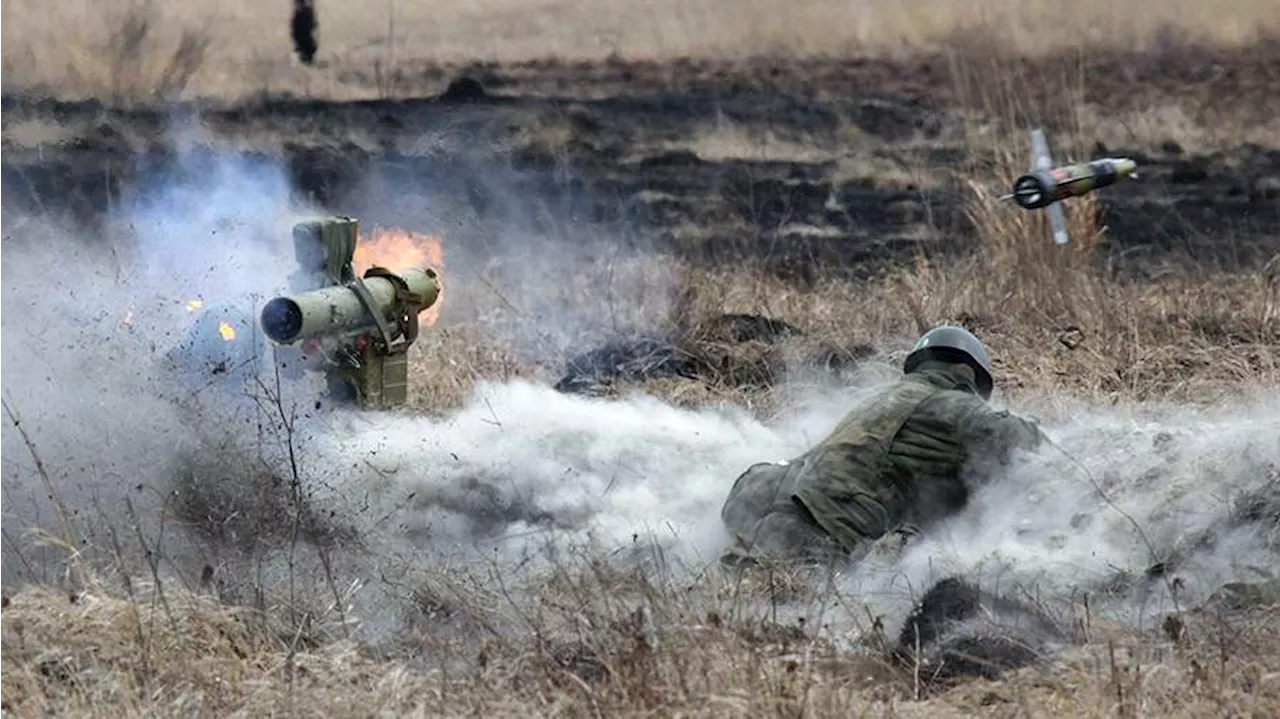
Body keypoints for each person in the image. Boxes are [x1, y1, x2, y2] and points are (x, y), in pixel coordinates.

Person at [719, 324, 1047, 569]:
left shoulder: (885, 398)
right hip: (822, 532)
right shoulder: (950, 404)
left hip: (763, 510)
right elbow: (1024, 442)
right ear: (968, 376)